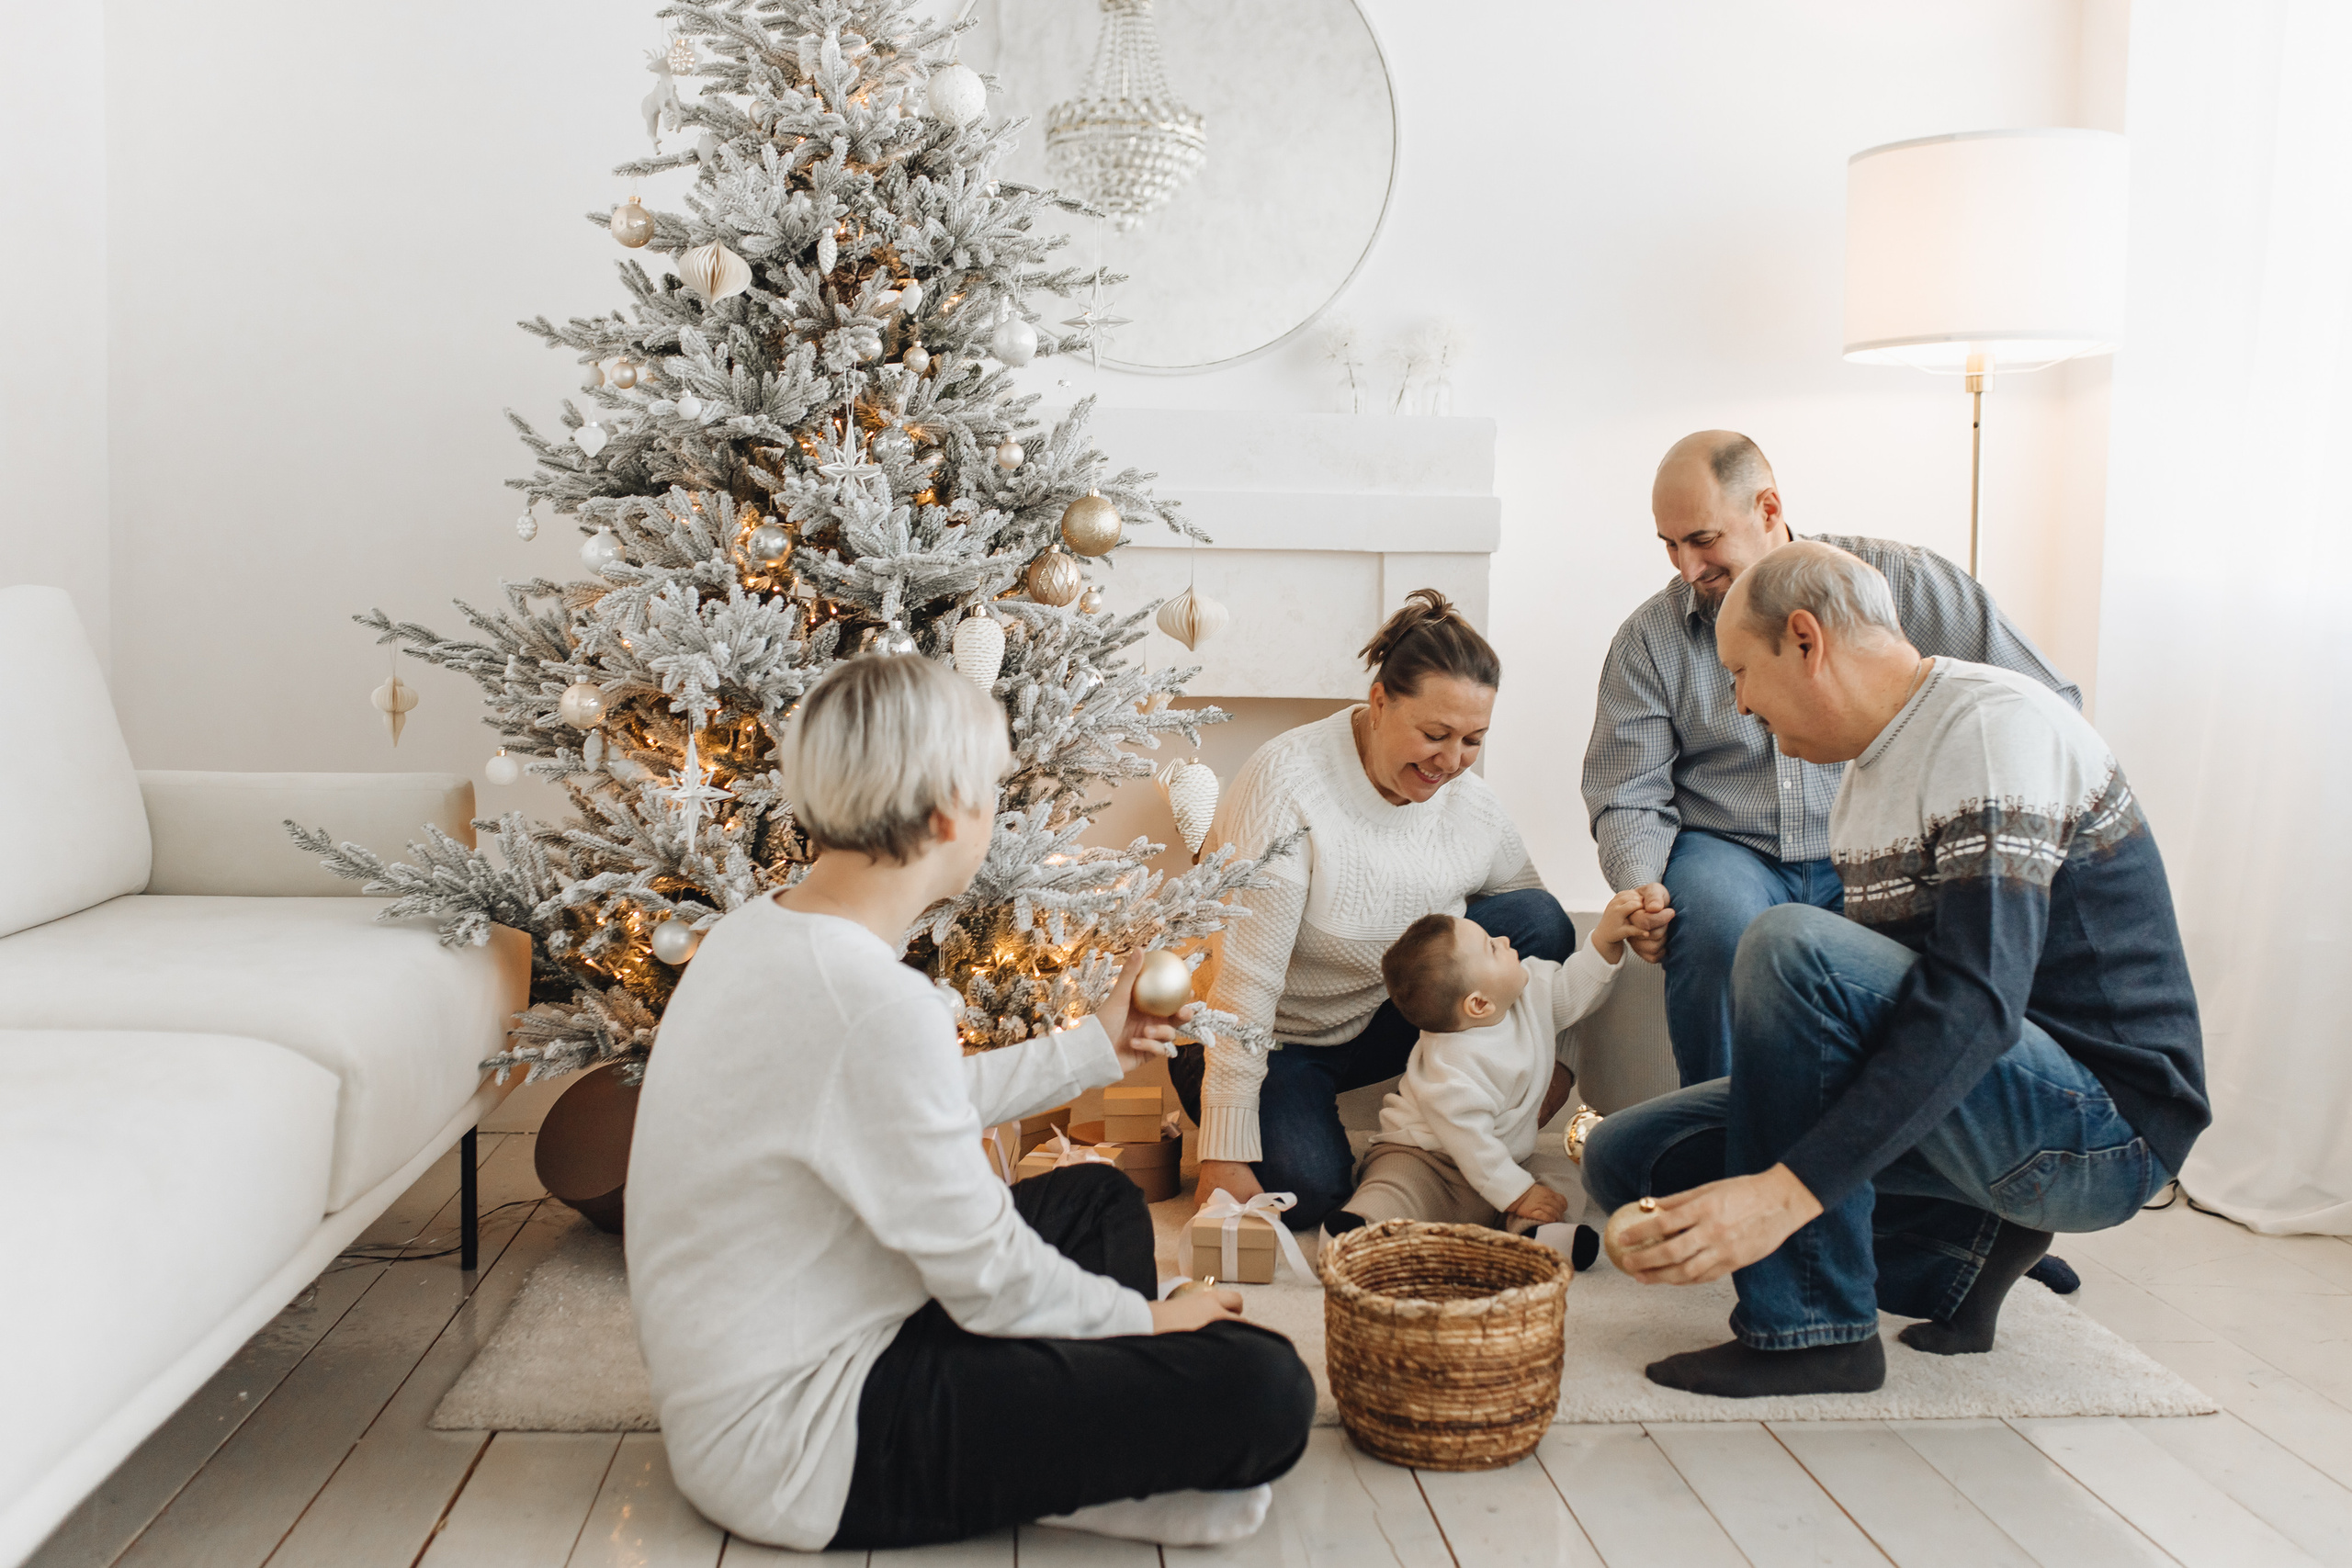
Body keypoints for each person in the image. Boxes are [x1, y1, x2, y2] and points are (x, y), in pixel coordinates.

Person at [625, 655, 1316, 1552]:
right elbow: (987, 1275)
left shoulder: (767, 931)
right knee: (1265, 1388)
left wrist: (1092, 1054)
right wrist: (1151, 1320)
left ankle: (1078, 1441)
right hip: (804, 1446)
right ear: (949, 813)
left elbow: (908, 1108)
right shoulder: (870, 1002)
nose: (997, 811)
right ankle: (1106, 1468)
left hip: (824, 1336)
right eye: (994, 789)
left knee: (1096, 1200)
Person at [1582, 543, 2206, 1399]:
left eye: (1739, 671)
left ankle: (1812, 1332)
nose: (1736, 701)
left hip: (2102, 1126)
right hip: (1991, 1100)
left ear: (1805, 641)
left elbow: (1977, 1005)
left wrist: (1781, 1194)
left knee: (1786, 941)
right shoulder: (1867, 781)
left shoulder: (1990, 731)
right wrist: (1764, 1180)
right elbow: (1864, 1034)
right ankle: (1964, 1254)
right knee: (1633, 1160)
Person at [1583, 431, 2081, 1087]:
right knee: (1713, 922)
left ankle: (1885, 1143)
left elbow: (2042, 703)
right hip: (1730, 847)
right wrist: (1640, 885)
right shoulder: (1649, 639)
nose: (1686, 567)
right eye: (1669, 545)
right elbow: (1628, 790)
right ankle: (1726, 1141)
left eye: (1703, 539)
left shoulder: (1906, 583)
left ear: (1768, 509)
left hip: (1881, 837)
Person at [1170, 589, 1580, 1234]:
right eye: (1435, 734)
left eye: (1473, 739)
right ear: (1381, 700)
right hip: (1268, 1033)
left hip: (1380, 1016)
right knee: (1306, 1189)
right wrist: (1223, 1148)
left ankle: (1446, 1120)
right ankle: (1344, 1136)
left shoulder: (1469, 805)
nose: (1451, 762)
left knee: (1538, 920)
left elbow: (1537, 932)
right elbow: (1242, 986)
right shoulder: (1287, 785)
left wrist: (1550, 1065)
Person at [1325, 888, 1644, 1237]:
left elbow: (1574, 991)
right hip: (1426, 1158)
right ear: (1479, 1004)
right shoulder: (1449, 1068)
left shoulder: (1529, 989)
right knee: (1394, 1186)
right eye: (1492, 946)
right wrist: (1517, 1192)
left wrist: (1605, 941)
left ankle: (1536, 1232)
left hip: (1505, 1160)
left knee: (1562, 1177)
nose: (1505, 938)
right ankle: (1358, 1230)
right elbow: (1470, 1142)